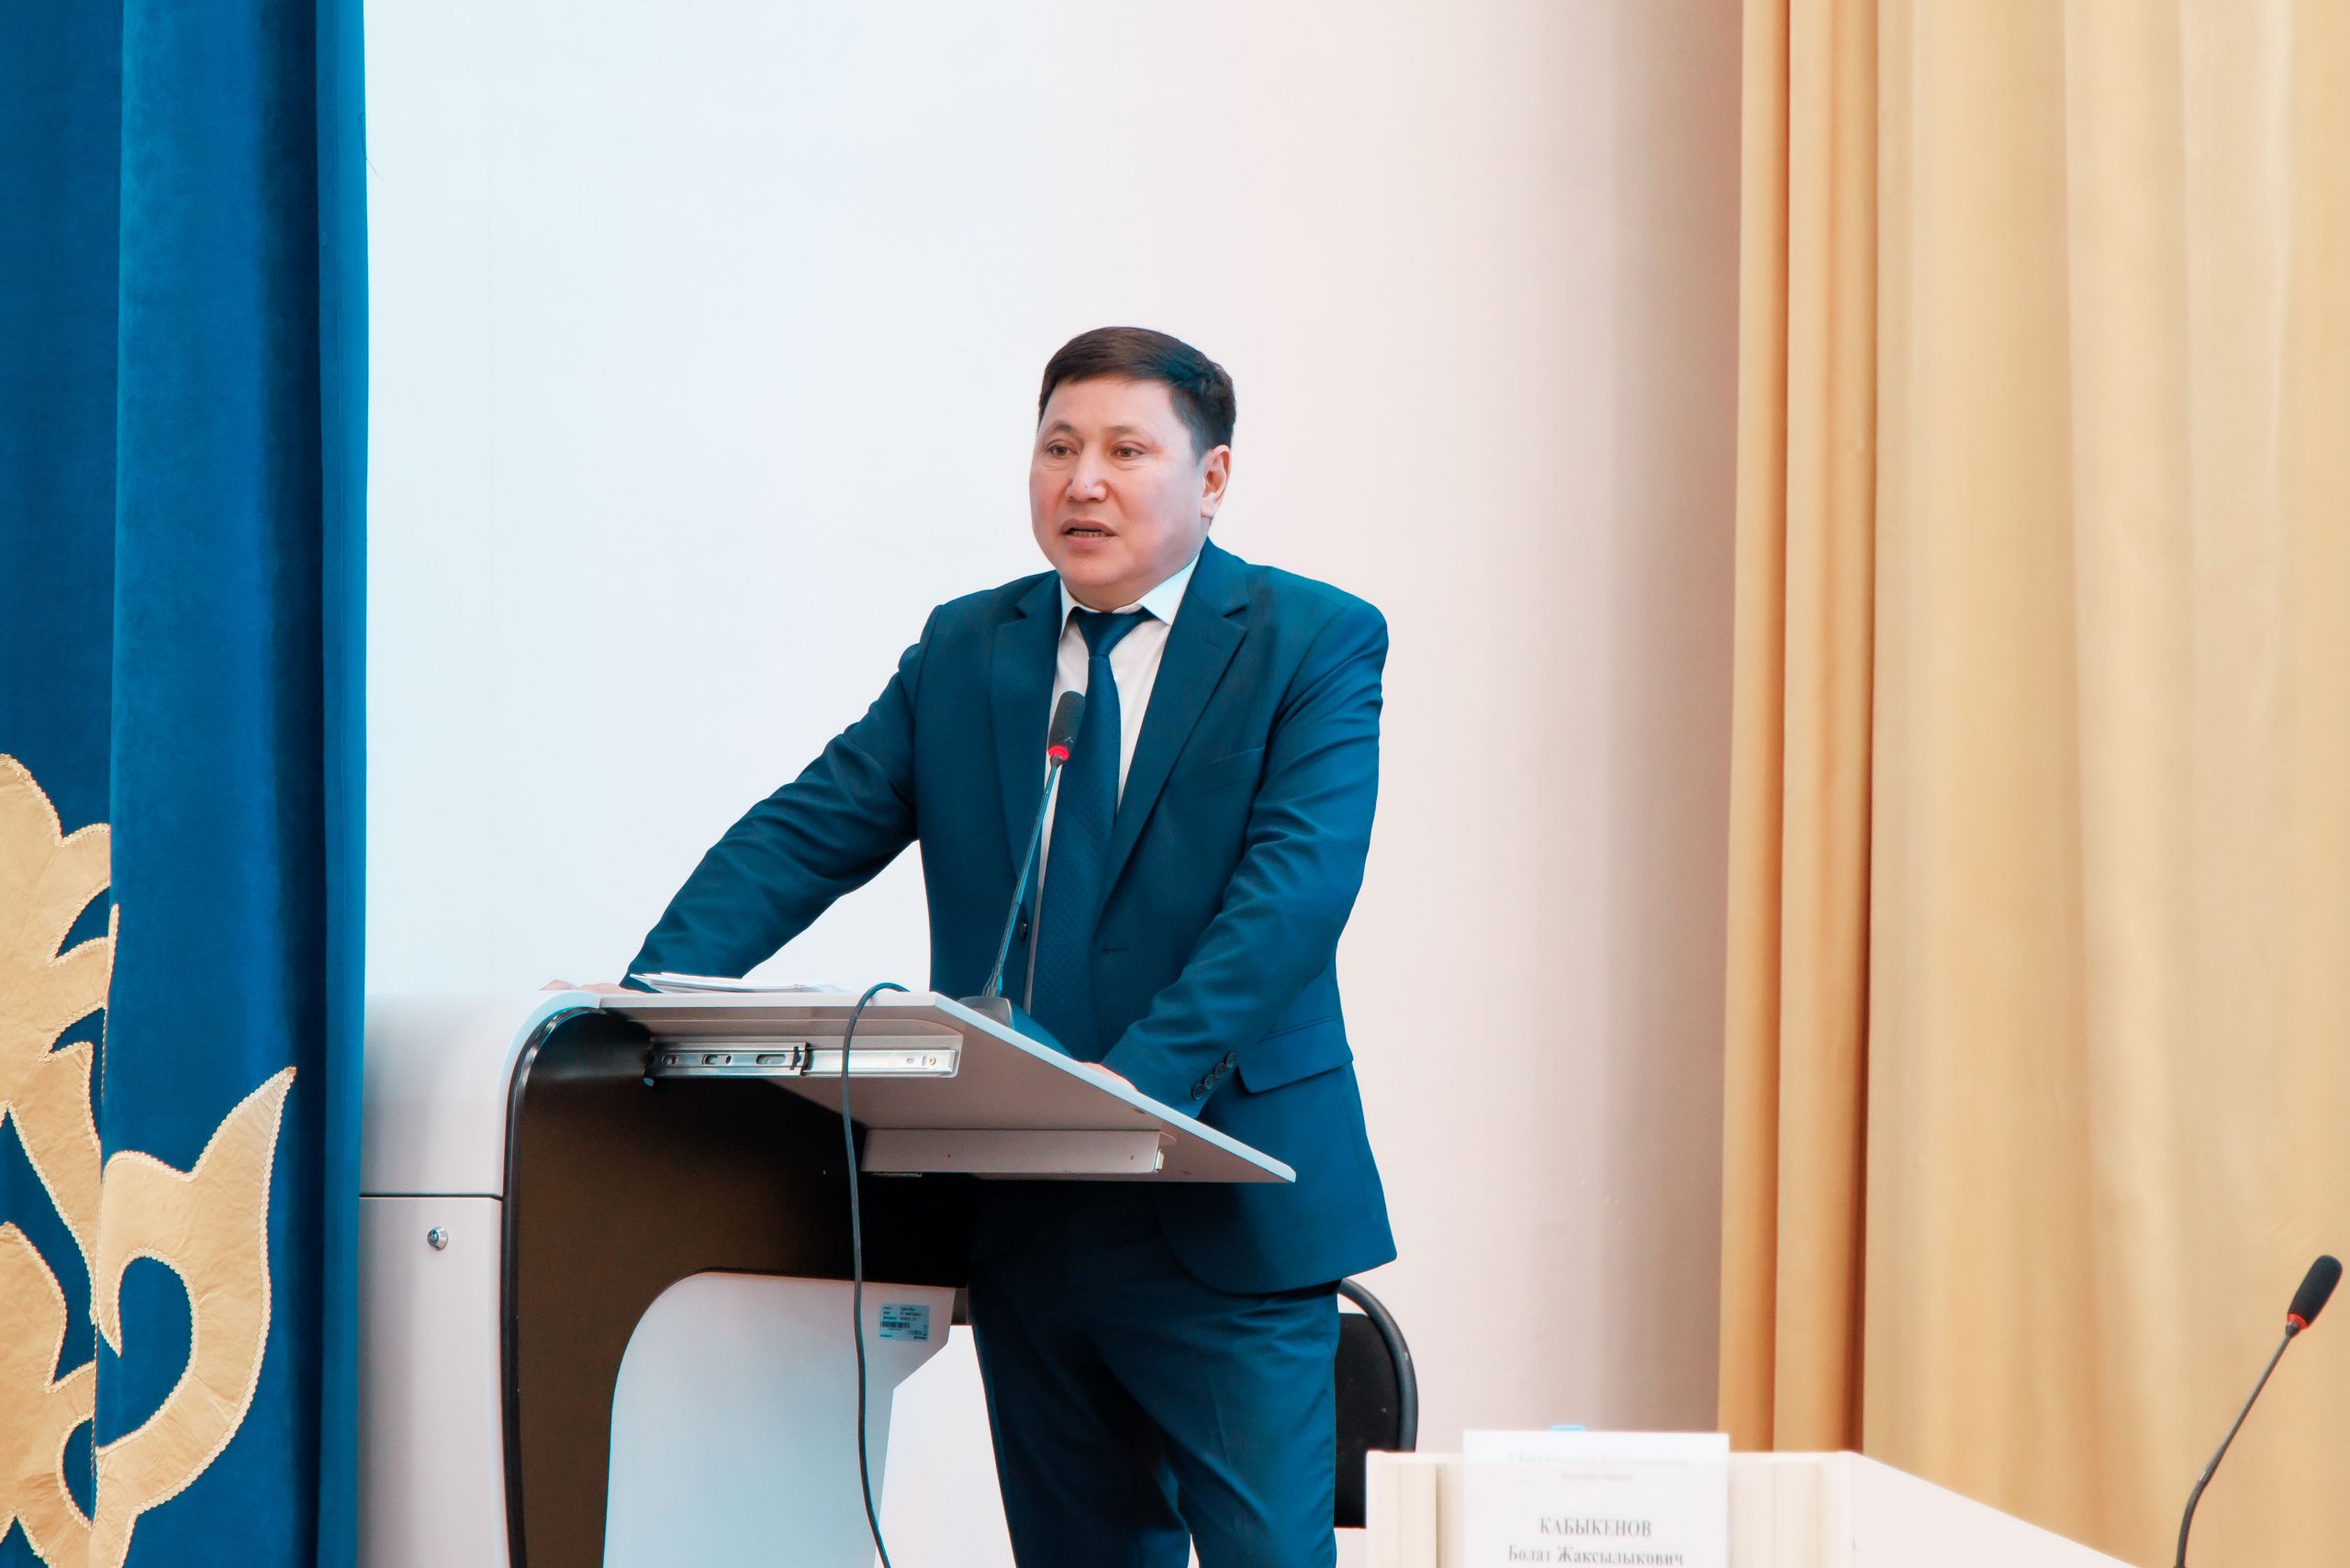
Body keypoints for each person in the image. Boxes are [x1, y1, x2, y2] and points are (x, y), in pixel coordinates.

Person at [624, 325, 1393, 1567]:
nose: (1083, 481)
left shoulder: (1311, 639)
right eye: (1058, 447)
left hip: (1222, 1209)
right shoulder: (969, 648)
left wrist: (1125, 1090)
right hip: (1029, 1215)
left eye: (1126, 451)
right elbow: (809, 830)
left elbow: (1294, 898)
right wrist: (650, 992)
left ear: (1211, 477)